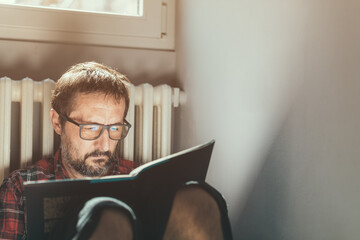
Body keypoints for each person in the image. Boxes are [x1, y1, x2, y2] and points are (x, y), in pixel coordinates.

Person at [0, 62, 232, 240]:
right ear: (58, 122)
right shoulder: (20, 187)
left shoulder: (141, 179)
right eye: (90, 128)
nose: (104, 144)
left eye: (114, 129)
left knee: (196, 196)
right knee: (105, 210)